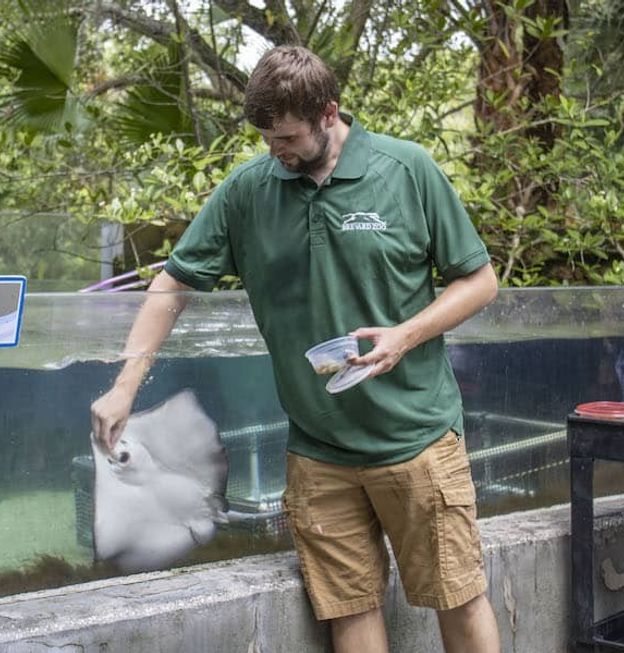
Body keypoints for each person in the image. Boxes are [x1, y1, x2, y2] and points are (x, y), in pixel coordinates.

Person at [91, 45, 500, 652]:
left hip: (416, 441)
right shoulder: (248, 191)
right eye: (265, 137)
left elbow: (480, 281)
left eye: (284, 137)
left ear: (328, 113)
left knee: (459, 601)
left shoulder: (407, 169)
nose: (274, 150)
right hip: (318, 455)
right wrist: (125, 385)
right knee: (350, 613)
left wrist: (404, 335)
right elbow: (171, 285)